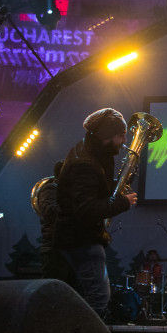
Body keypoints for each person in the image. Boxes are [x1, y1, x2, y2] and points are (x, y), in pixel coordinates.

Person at [53, 108, 137, 317]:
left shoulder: (92, 153)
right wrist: (123, 203)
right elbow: (86, 209)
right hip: (81, 239)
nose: (124, 141)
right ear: (108, 136)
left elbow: (97, 191)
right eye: (121, 135)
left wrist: (122, 181)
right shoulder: (85, 163)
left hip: (79, 238)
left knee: (88, 296)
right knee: (98, 298)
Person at [34, 160, 74, 281]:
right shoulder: (49, 189)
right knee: (55, 286)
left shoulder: (67, 191)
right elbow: (50, 212)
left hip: (69, 247)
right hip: (54, 249)